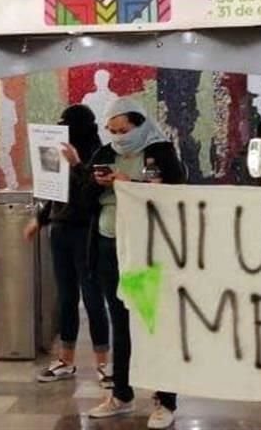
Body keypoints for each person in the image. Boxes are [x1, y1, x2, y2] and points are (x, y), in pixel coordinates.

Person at [85, 97, 184, 430]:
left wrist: (132, 186)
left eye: (124, 131)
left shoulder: (161, 153)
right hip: (108, 246)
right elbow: (82, 195)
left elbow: (174, 193)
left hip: (147, 250)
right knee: (120, 321)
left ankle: (164, 399)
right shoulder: (105, 154)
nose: (118, 137)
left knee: (152, 321)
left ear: (140, 125)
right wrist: (94, 183)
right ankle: (122, 393)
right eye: (111, 131)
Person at [23, 105, 111, 386]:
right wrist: (41, 219)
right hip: (61, 228)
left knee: (93, 296)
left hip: (86, 230)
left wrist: (75, 163)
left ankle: (103, 363)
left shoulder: (98, 152)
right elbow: (53, 189)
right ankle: (66, 359)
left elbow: (92, 192)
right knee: (66, 297)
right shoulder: (61, 148)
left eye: (67, 124)